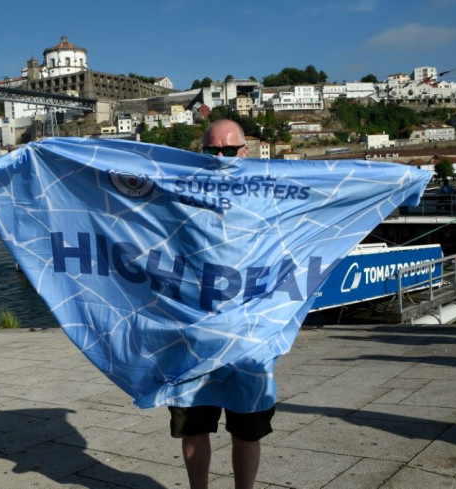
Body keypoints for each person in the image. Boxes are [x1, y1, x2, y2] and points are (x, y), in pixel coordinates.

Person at [168, 119, 274, 489]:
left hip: (248, 338)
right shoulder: (180, 192)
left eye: (229, 150)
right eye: (212, 150)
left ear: (244, 151)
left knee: (248, 430)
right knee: (192, 428)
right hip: (193, 333)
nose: (221, 157)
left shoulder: (270, 194)